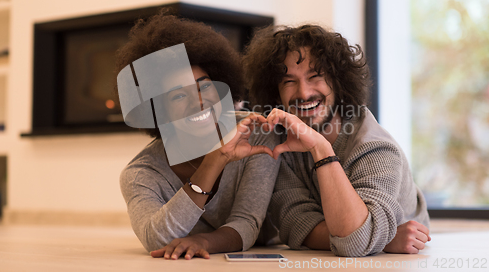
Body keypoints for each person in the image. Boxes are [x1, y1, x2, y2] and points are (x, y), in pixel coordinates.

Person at [243, 24, 430, 257]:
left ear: (338, 82)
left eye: (315, 76)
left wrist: (320, 148)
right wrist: (379, 239)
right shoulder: (281, 144)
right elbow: (296, 226)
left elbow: (354, 242)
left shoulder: (375, 146)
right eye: (289, 81)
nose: (303, 92)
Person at [116, 14, 279, 260]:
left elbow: (248, 222)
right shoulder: (141, 174)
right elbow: (156, 239)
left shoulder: (256, 133)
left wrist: (203, 241)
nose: (199, 103)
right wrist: (216, 158)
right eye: (179, 96)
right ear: (160, 111)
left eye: (204, 86)